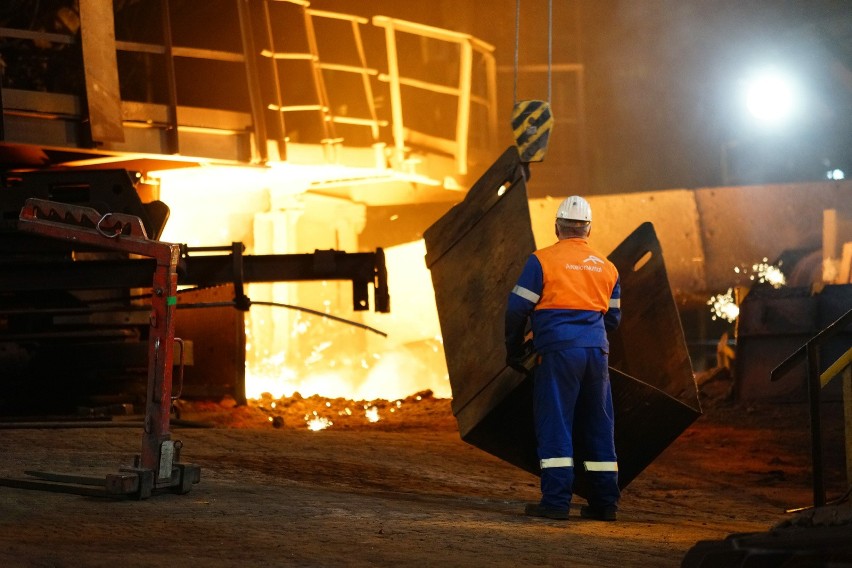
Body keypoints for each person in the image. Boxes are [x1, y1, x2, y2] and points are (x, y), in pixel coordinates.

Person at [504, 195, 622, 522]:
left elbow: (516, 309)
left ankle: (556, 502)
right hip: (596, 354)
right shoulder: (607, 266)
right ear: (588, 229)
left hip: (557, 351)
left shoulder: (541, 261)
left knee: (556, 421)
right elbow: (613, 319)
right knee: (599, 422)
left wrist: (513, 347)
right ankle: (604, 504)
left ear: (557, 227)